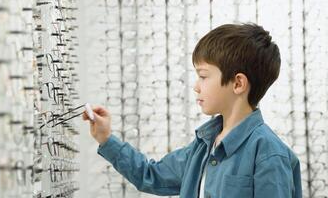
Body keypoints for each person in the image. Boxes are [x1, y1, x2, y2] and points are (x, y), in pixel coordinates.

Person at [82, 23, 302, 198]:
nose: (196, 85)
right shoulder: (202, 146)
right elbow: (151, 176)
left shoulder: (269, 154)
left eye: (203, 76)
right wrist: (106, 139)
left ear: (238, 84)